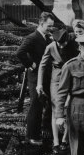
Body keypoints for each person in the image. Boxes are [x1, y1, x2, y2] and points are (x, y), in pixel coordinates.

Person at [37, 27, 79, 152]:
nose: (61, 46)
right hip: (56, 78)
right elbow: (42, 66)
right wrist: (39, 84)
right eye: (59, 44)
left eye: (64, 43)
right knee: (56, 107)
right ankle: (55, 143)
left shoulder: (74, 44)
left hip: (71, 77)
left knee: (69, 107)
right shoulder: (50, 47)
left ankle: (65, 140)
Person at [16, 12, 55, 146]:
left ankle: (46, 130)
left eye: (52, 26)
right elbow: (20, 52)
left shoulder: (48, 39)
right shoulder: (32, 37)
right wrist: (30, 64)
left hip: (47, 76)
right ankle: (31, 136)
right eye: (49, 26)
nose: (51, 28)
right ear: (41, 23)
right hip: (35, 77)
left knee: (49, 102)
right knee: (36, 105)